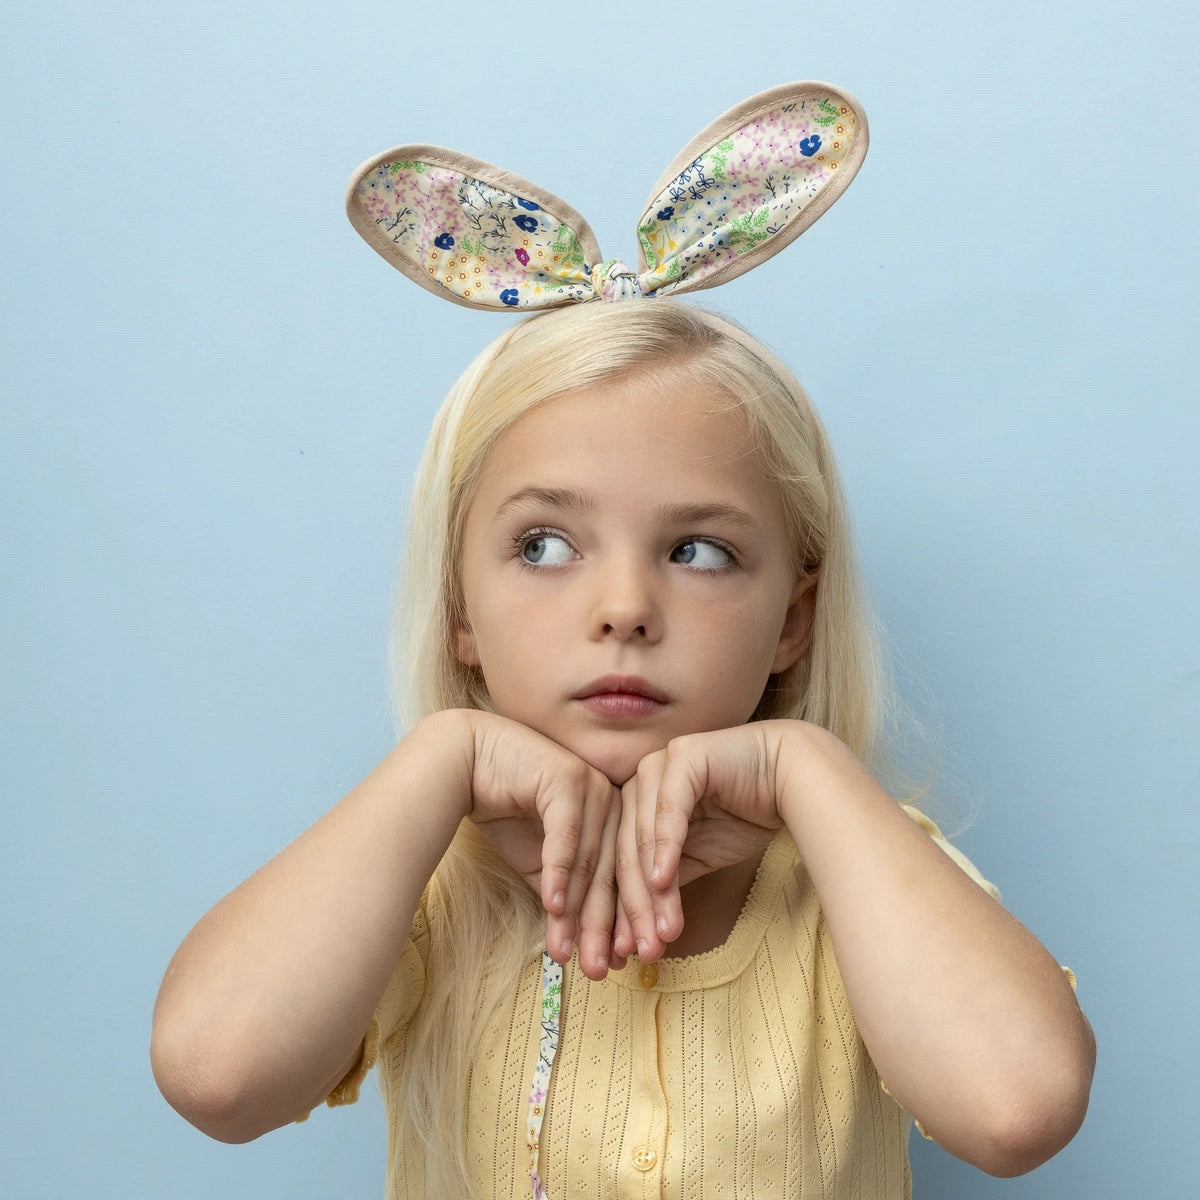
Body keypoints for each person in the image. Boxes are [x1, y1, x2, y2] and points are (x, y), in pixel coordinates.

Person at [151, 86, 1095, 1200]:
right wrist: (439, 763)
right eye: (545, 544)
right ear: (458, 606)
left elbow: (1017, 1108)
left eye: (698, 552)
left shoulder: (857, 873)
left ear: (793, 617)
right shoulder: (425, 881)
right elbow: (216, 1074)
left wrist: (809, 773)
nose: (624, 607)